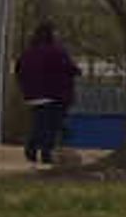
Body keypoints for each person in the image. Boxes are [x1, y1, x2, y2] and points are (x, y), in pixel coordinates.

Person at [14, 19, 79, 164]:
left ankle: (32, 148)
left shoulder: (28, 53)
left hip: (32, 95)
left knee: (40, 123)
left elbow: (18, 70)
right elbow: (70, 68)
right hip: (54, 95)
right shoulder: (56, 52)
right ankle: (45, 153)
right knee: (51, 125)